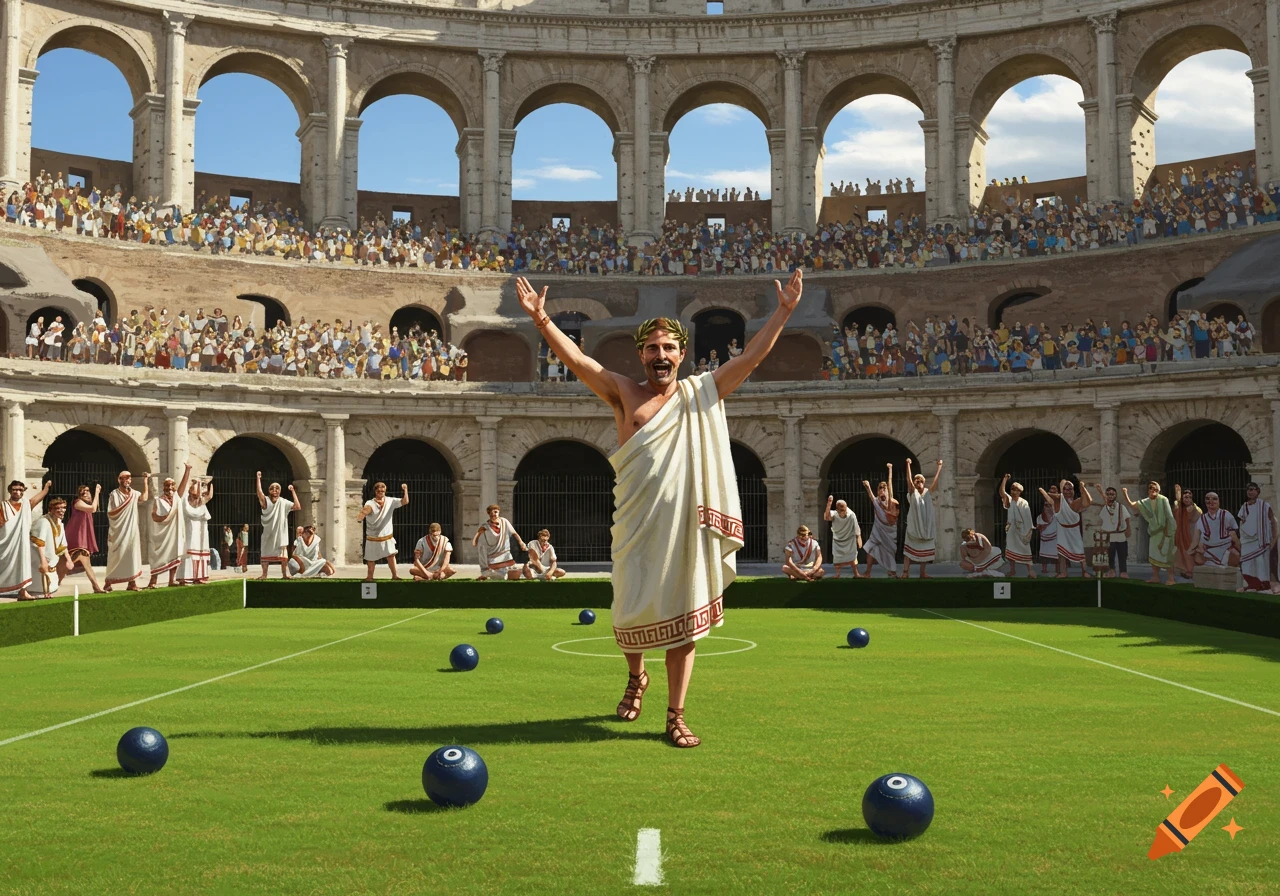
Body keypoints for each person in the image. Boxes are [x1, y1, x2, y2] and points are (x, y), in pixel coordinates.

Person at [514, 269, 802, 748]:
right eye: (652, 348)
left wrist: (785, 311)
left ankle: (676, 713)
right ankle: (635, 676)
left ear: (682, 354)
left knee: (685, 615)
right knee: (627, 610)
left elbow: (751, 358)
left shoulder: (700, 391)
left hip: (685, 526)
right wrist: (542, 319)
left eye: (669, 348)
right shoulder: (624, 392)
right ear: (640, 355)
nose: (661, 356)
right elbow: (581, 360)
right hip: (635, 521)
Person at [1, 479, 51, 600]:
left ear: (23, 492)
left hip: (21, 543)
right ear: (9, 491)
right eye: (14, 490)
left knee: (22, 566)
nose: (17, 492)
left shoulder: (26, 505)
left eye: (20, 490)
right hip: (6, 543)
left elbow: (35, 500)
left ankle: (23, 592)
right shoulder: (3, 506)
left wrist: (45, 489)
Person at [146, 465, 193, 589]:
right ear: (163, 487)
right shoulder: (158, 500)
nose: (170, 488)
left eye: (172, 485)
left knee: (175, 555)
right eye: (167, 485)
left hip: (175, 534)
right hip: (162, 535)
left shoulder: (177, 498)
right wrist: (165, 518)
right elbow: (154, 516)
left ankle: (171, 580)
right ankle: (153, 581)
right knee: (158, 557)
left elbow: (183, 485)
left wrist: (187, 470)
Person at [1122, 482, 1176, 585]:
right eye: (1151, 488)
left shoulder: (1163, 499)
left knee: (1167, 555)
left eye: (1155, 489)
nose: (1153, 490)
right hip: (1154, 532)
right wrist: (1125, 494)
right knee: (1153, 555)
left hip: (1165, 531)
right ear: (1148, 490)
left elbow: (1169, 516)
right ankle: (1155, 577)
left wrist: (1169, 531)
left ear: (1158, 490)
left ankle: (1171, 578)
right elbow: (1133, 505)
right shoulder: (1144, 502)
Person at [105, 470, 150, 591]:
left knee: (132, 554)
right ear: (119, 480)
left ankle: (132, 582)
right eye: (123, 478)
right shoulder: (114, 494)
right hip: (119, 530)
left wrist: (146, 481)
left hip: (132, 529)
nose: (126, 480)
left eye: (128, 478)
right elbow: (111, 513)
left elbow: (144, 498)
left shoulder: (134, 493)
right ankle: (108, 581)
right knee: (116, 555)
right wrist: (124, 509)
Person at [1042, 480, 1094, 578]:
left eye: (1070, 489)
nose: (1068, 491)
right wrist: (1045, 491)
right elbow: (1049, 496)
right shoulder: (1058, 500)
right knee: (1062, 552)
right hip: (1062, 529)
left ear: (1073, 490)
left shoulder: (1076, 502)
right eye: (1066, 489)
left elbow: (1089, 501)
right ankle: (1063, 572)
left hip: (1073, 529)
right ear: (1062, 490)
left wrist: (1083, 488)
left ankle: (1084, 571)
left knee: (1079, 550)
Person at [358, 481, 408, 581]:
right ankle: (370, 577)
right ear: (375, 492)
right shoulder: (370, 503)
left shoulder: (390, 501)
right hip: (373, 536)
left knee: (391, 556)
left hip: (386, 536)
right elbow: (366, 509)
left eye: (382, 491)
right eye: (379, 491)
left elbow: (405, 501)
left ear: (385, 491)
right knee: (371, 559)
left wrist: (405, 490)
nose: (381, 492)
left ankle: (394, 576)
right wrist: (362, 515)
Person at [902, 458, 943, 578]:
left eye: (920, 481)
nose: (918, 483)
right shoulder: (912, 492)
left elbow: (935, 482)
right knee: (909, 552)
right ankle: (905, 572)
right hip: (915, 526)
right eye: (917, 481)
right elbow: (908, 479)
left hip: (926, 527)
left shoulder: (927, 493)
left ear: (923, 483)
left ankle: (922, 573)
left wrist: (939, 467)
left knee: (925, 551)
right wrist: (908, 464)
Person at [1236, 482, 1279, 592]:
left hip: (1262, 540)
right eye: (1248, 490)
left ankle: (1264, 585)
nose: (1250, 492)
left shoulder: (1264, 506)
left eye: (1252, 489)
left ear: (1258, 491)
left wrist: (1273, 538)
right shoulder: (1244, 506)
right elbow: (1242, 523)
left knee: (1261, 563)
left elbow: (1272, 522)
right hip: (1248, 540)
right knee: (1246, 563)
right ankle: (1251, 584)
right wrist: (1242, 538)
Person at [256, 473, 298, 579]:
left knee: (283, 555)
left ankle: (284, 574)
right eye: (272, 488)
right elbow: (259, 492)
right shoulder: (266, 501)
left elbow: (297, 506)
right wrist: (258, 479)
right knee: (265, 554)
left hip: (280, 533)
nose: (275, 490)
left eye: (277, 488)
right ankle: (264, 574)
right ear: (269, 491)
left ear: (280, 491)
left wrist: (293, 491)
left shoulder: (283, 502)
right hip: (268, 532)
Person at [859, 468, 899, 577]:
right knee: (869, 548)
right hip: (878, 530)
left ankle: (892, 571)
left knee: (890, 551)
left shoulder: (892, 501)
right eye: (880, 487)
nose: (882, 489)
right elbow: (871, 496)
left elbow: (890, 482)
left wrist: (890, 469)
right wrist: (867, 486)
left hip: (889, 531)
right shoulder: (877, 501)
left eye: (884, 487)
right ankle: (867, 572)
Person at [65, 483, 105, 592]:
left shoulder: (85, 505)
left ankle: (96, 587)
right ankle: (50, 585)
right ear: (79, 495)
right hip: (76, 538)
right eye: (83, 492)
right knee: (66, 566)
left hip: (82, 539)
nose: (86, 493)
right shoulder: (77, 503)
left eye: (88, 491)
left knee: (86, 564)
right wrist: (97, 492)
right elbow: (93, 508)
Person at [472, 503, 527, 580]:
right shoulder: (485, 526)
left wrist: (521, 543)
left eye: (495, 512)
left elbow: (514, 533)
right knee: (499, 574)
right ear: (489, 514)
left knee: (508, 570)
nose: (493, 514)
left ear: (499, 512)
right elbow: (476, 537)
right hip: (492, 553)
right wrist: (475, 542)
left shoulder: (504, 521)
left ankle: (486, 576)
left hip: (504, 551)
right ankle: (485, 575)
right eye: (491, 513)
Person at [999, 475, 1036, 578]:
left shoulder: (1024, 502)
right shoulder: (1009, 500)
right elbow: (1002, 493)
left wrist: (1029, 530)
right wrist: (1005, 479)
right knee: (1010, 549)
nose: (1014, 491)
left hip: (1023, 530)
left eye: (1016, 490)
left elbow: (1028, 518)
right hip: (1012, 529)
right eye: (1012, 489)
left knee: (1026, 549)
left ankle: (1030, 571)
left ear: (1020, 492)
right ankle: (1012, 570)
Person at [1193, 491, 1239, 568]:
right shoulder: (1202, 519)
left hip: (1225, 548)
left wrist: (1241, 550)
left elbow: (1234, 536)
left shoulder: (1226, 515)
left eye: (1214, 499)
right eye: (1208, 499)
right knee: (1197, 558)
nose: (1211, 501)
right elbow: (1199, 538)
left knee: (1235, 555)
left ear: (1219, 501)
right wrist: (1199, 549)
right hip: (1208, 551)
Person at [180, 478, 213, 584]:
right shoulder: (185, 500)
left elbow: (209, 496)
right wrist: (197, 483)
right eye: (194, 488)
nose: (199, 492)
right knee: (189, 552)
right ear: (189, 490)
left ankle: (199, 577)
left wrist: (209, 485)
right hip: (189, 529)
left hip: (200, 530)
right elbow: (188, 511)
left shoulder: (200, 502)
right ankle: (185, 577)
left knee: (199, 552)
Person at [1095, 485, 1132, 578]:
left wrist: (1129, 529)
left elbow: (1127, 518)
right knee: (1110, 554)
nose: (1110, 496)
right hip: (1109, 535)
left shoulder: (1121, 507)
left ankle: (1123, 571)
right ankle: (1111, 570)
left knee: (1122, 554)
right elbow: (1101, 519)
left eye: (1112, 494)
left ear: (1116, 495)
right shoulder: (1104, 507)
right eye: (1108, 494)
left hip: (1120, 534)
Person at [824, 496, 862, 578]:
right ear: (837, 509)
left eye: (844, 509)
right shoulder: (834, 514)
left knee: (853, 556)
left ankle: (856, 573)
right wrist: (829, 503)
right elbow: (827, 517)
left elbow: (856, 527)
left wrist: (858, 538)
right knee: (837, 556)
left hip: (849, 539)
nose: (843, 511)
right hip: (838, 539)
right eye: (841, 510)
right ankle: (837, 573)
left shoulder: (851, 515)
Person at [1172, 484, 1202, 581]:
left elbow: (1195, 520)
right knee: (1182, 552)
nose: (1187, 499)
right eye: (1185, 497)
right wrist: (1178, 496)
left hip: (1192, 535)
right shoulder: (1180, 509)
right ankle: (1185, 570)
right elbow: (1175, 513)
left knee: (1190, 552)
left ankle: (1191, 571)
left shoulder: (1196, 509)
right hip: (1181, 535)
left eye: (1189, 497)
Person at [1036, 485, 1060, 574]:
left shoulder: (1059, 503)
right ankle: (1044, 568)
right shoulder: (1046, 503)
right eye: (1050, 492)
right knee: (1044, 551)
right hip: (1046, 530)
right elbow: (1044, 514)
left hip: (1056, 529)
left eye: (1054, 492)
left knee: (1056, 552)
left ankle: (1058, 569)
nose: (1052, 493)